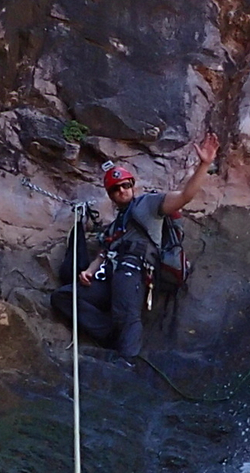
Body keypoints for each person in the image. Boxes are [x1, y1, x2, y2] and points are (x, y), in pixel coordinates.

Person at [58, 132, 219, 358]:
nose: (121, 190)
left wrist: (204, 165)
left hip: (134, 270)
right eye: (115, 188)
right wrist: (89, 272)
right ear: (111, 195)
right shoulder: (115, 226)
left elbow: (185, 196)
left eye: (125, 185)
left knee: (127, 315)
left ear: (132, 186)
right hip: (111, 276)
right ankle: (110, 334)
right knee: (65, 297)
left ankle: (128, 361)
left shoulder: (149, 205)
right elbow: (104, 253)